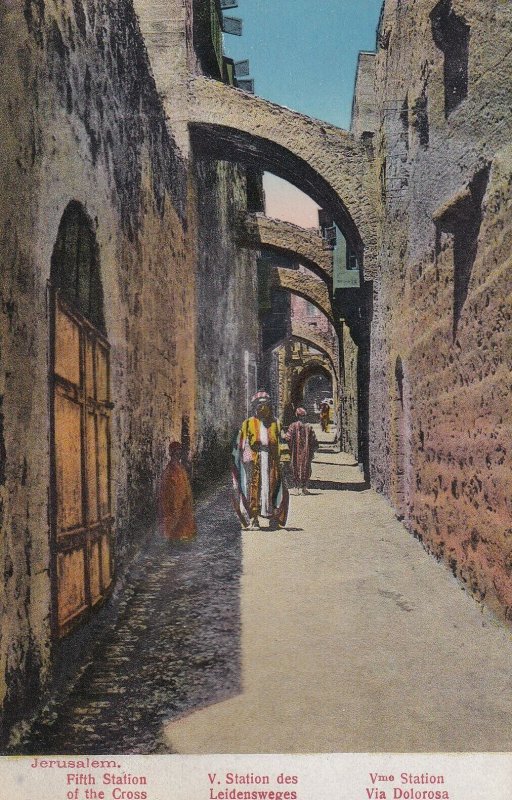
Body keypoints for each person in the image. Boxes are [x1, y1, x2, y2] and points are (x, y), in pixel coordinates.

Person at [232, 390, 289, 530]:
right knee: (253, 488)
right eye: (259, 404)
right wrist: (246, 460)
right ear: (254, 406)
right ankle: (254, 518)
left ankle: (273, 518)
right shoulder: (248, 423)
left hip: (272, 460)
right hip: (254, 460)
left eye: (265, 404)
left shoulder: (275, 423)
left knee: (275, 487)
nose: (262, 407)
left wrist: (284, 460)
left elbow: (282, 441)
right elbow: (242, 443)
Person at [158, 441, 197, 541]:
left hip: (184, 504)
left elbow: (185, 485)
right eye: (176, 453)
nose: (178, 455)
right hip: (174, 505)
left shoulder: (180, 468)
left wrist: (187, 498)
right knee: (175, 528)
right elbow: (166, 491)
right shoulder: (169, 471)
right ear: (171, 454)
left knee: (184, 528)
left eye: (179, 453)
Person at [285, 407, 317, 494]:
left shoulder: (293, 426)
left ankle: (296, 488)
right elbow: (314, 440)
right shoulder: (309, 427)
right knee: (306, 468)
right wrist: (313, 450)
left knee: (295, 467)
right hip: (306, 452)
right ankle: (304, 488)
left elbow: (288, 437)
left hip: (295, 452)